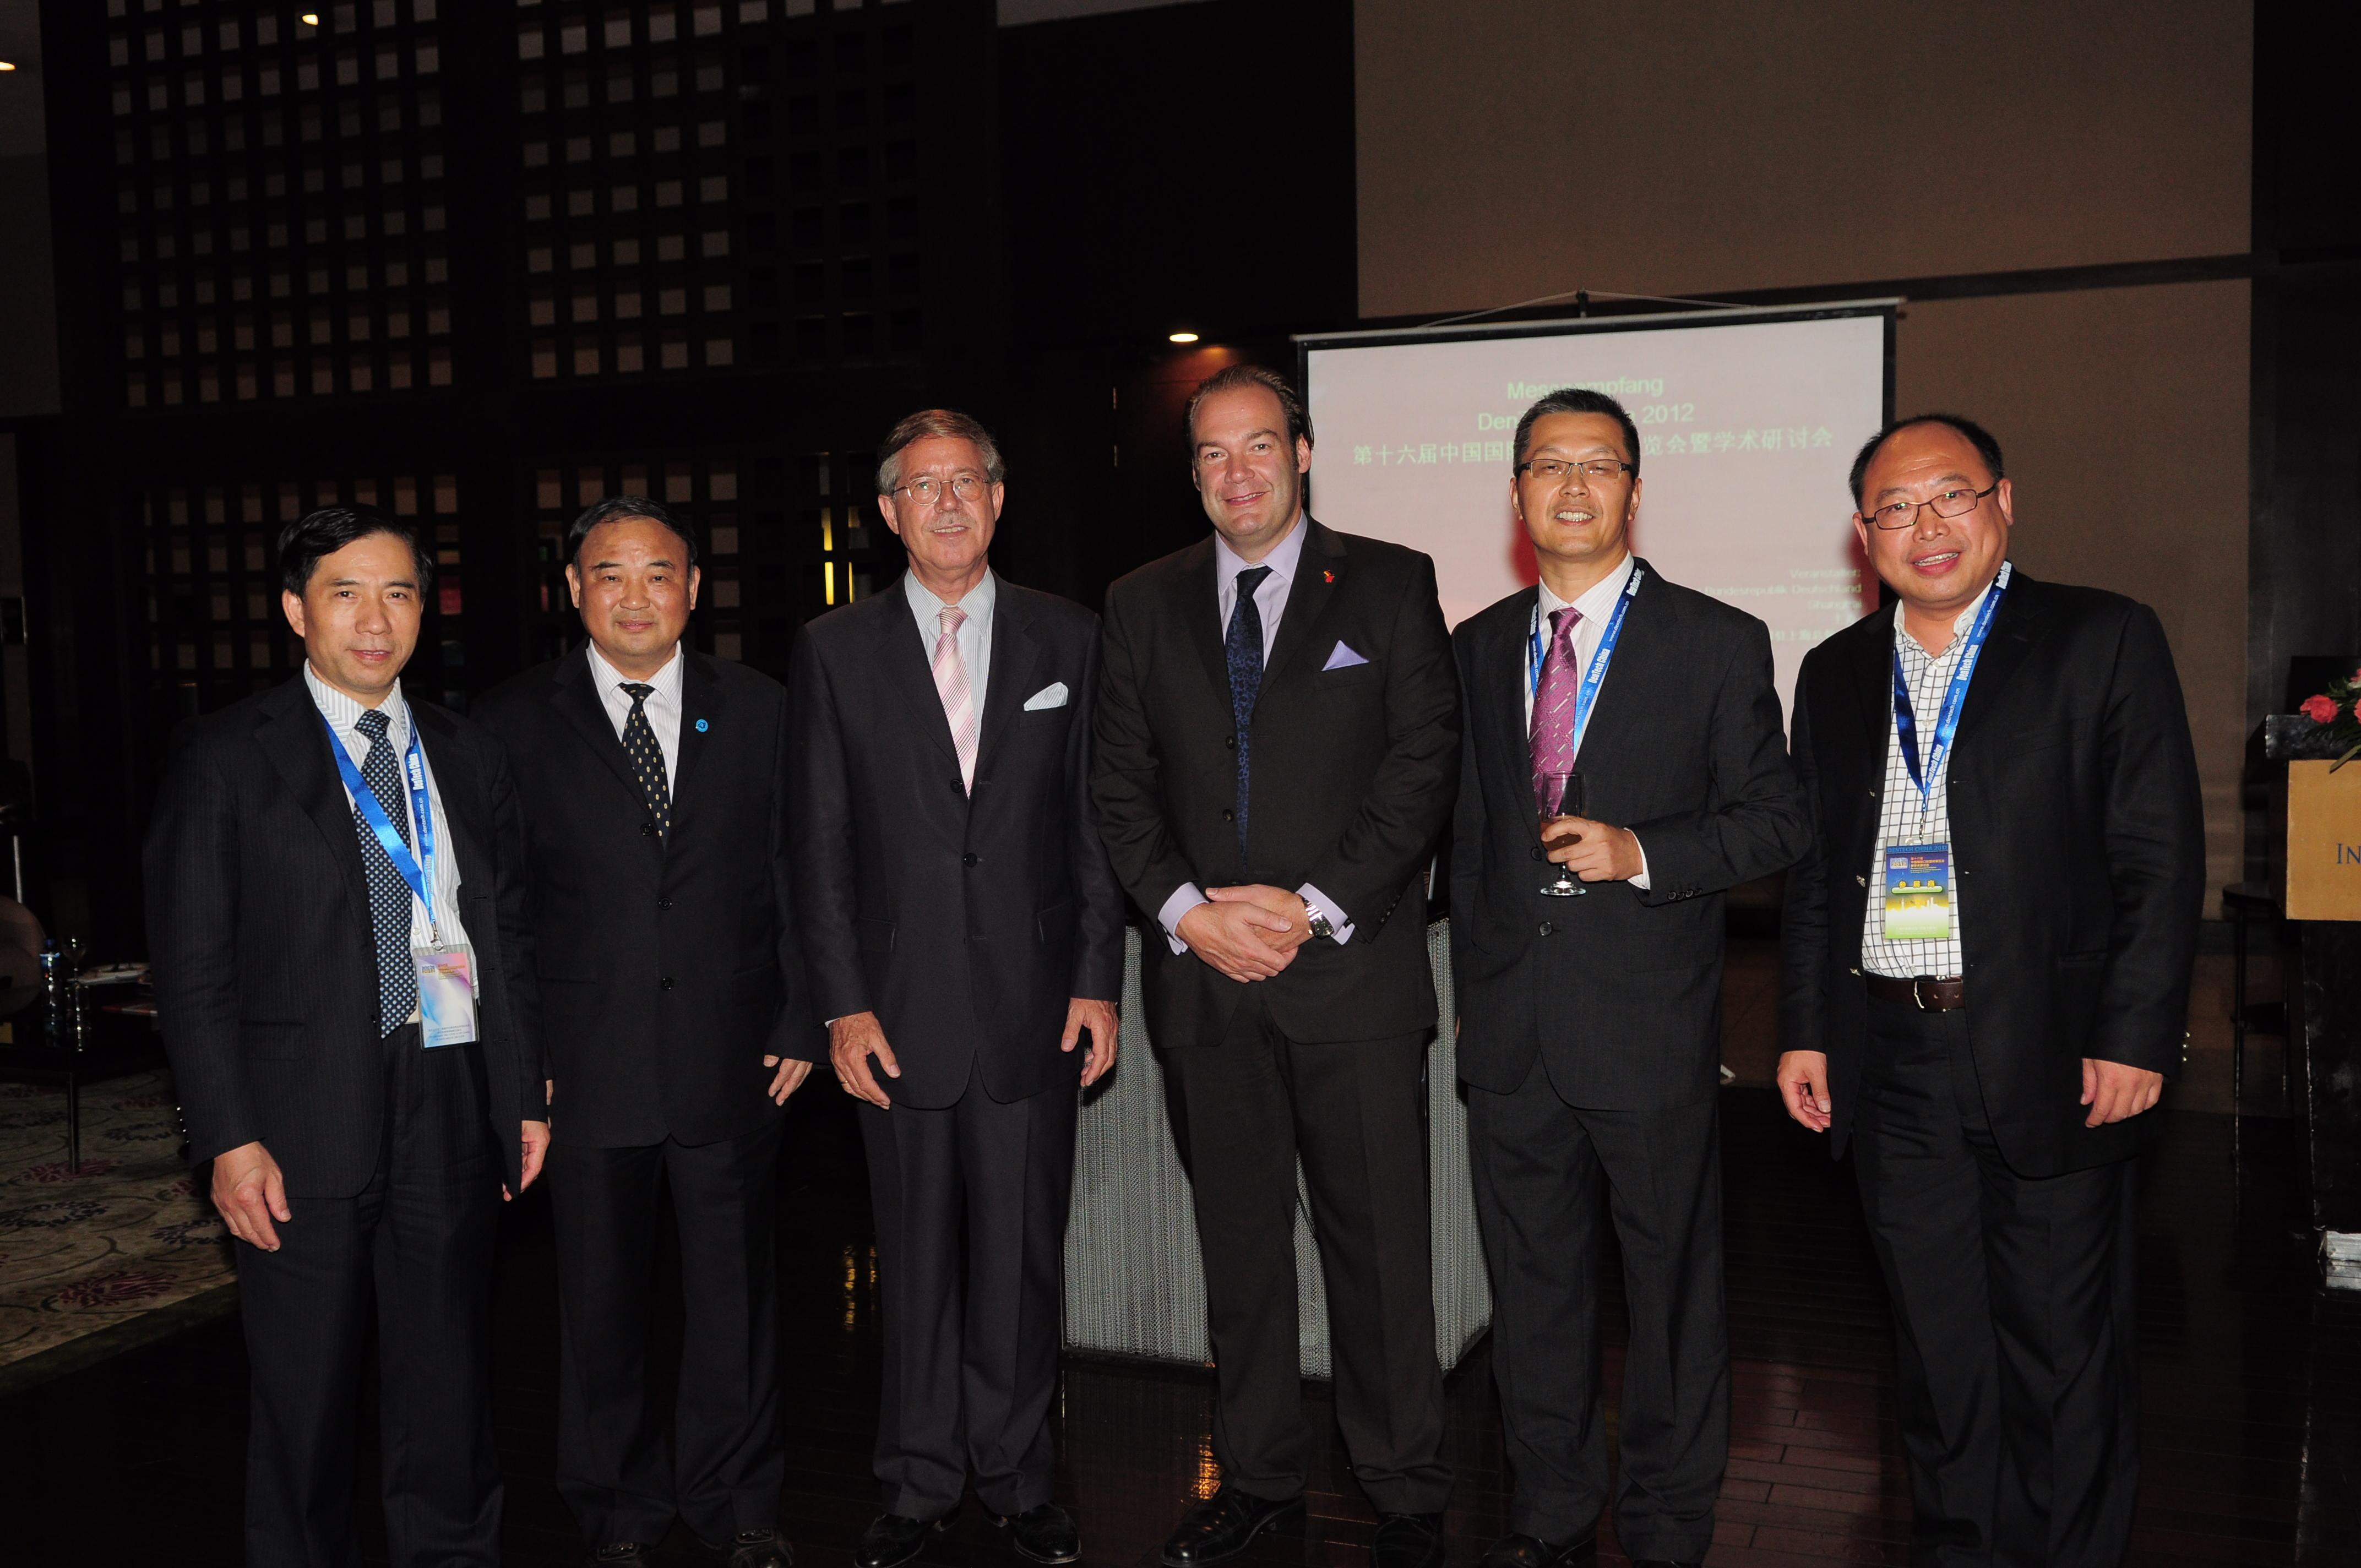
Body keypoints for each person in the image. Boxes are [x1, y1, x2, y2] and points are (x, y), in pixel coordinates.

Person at [1777, 414, 2204, 1568]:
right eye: (1894, 507)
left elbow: (2158, 856)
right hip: (1888, 1053)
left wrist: (2135, 1035)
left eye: (1948, 496)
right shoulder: (1834, 671)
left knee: (2059, 1349)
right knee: (1937, 1348)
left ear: (2001, 502)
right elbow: (1816, 871)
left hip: (2054, 1050)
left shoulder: (2101, 636)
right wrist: (1806, 1029)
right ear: (1863, 531)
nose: (1924, 525)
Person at [1092, 363, 1461, 1568]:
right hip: (1204, 981)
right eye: (1211, 452)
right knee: (1240, 1252)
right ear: (1191, 471)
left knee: (1379, 1253)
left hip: (1350, 976)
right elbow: (1116, 784)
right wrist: (1187, 912)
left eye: (1258, 445)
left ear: (1302, 451)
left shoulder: (1391, 581)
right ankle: (1255, 1478)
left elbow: (1423, 765)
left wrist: (1310, 907)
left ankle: (1404, 1488)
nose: (1236, 471)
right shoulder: (1139, 602)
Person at [144, 506, 546, 1568]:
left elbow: (502, 932)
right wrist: (227, 1137)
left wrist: (522, 1093)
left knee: (448, 1374)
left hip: (449, 1089)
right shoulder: (226, 755)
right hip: (296, 1111)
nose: (376, 620)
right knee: (305, 1388)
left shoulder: (466, 750)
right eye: (346, 594)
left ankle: (451, 1550)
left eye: (399, 594)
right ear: (296, 610)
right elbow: (192, 968)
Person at [1448, 389, 1809, 1568]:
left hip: (1646, 1027)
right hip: (1511, 1033)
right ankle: (1549, 1513)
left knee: (1670, 1292)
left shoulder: (1715, 640)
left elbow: (1775, 821)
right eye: (1547, 464)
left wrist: (1642, 850)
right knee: (1531, 1293)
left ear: (1635, 489)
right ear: (1515, 493)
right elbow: (1463, 835)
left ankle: (1664, 1523)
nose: (1571, 484)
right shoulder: (1473, 646)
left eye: (1596, 464)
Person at [786, 410, 1124, 1568]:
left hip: (1036, 1004)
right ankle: (920, 1479)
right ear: (888, 512)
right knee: (914, 1261)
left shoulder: (1069, 635)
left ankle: (1021, 1477)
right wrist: (842, 1006)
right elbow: (817, 846)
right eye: (921, 486)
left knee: (1023, 1261)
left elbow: (1093, 824)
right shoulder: (833, 648)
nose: (946, 502)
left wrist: (1097, 980)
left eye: (966, 481)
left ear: (998, 497)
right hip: (894, 1011)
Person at [475, 496, 814, 1568]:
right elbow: (499, 910)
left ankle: (738, 1502)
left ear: (693, 589)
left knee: (737, 1302)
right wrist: (520, 1063)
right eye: (609, 575)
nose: (635, 596)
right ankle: (617, 1511)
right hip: (585, 1064)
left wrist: (802, 1013)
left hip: (735, 1051)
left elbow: (800, 871)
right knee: (599, 1309)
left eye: (658, 574)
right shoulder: (510, 721)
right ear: (572, 590)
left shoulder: (760, 708)